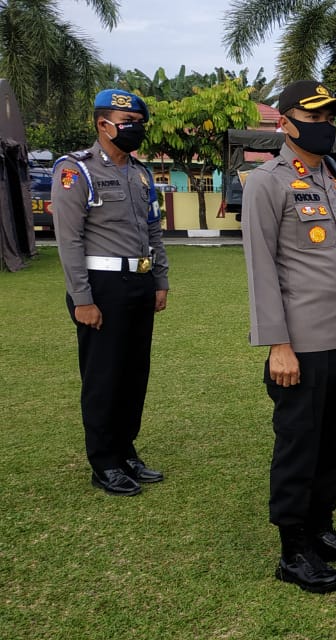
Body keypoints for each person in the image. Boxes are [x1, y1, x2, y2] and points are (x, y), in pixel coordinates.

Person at [242, 80, 336, 594]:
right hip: (298, 345)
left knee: (334, 440)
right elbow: (262, 268)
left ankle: (322, 528)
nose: (325, 125)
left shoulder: (334, 181)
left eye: (330, 117)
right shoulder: (267, 182)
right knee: (299, 444)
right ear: (286, 122)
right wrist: (277, 344)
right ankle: (293, 550)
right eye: (314, 116)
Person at [52, 88, 168, 497]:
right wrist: (82, 299)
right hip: (101, 288)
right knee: (103, 376)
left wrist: (160, 280)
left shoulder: (140, 173)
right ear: (103, 125)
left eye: (139, 124)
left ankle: (126, 450)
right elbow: (69, 241)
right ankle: (104, 462)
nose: (136, 130)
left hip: (138, 282)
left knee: (135, 374)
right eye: (128, 124)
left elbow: (154, 229)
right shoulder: (76, 170)